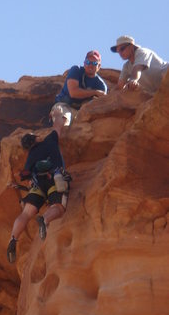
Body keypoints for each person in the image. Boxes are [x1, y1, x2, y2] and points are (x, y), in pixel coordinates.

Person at [7, 109, 69, 264]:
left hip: (37, 184)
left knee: (26, 213)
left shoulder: (30, 157)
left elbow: (28, 179)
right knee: (59, 206)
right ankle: (45, 219)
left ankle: (13, 238)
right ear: (37, 138)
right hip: (54, 178)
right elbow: (59, 125)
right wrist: (58, 115)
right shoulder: (49, 140)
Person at [50, 50, 108, 126]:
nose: (90, 65)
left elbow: (100, 105)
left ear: (99, 66)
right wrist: (95, 92)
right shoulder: (76, 70)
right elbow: (73, 93)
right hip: (64, 105)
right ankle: (56, 136)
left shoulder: (101, 85)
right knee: (63, 119)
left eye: (94, 63)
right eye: (88, 62)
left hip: (81, 112)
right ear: (84, 63)